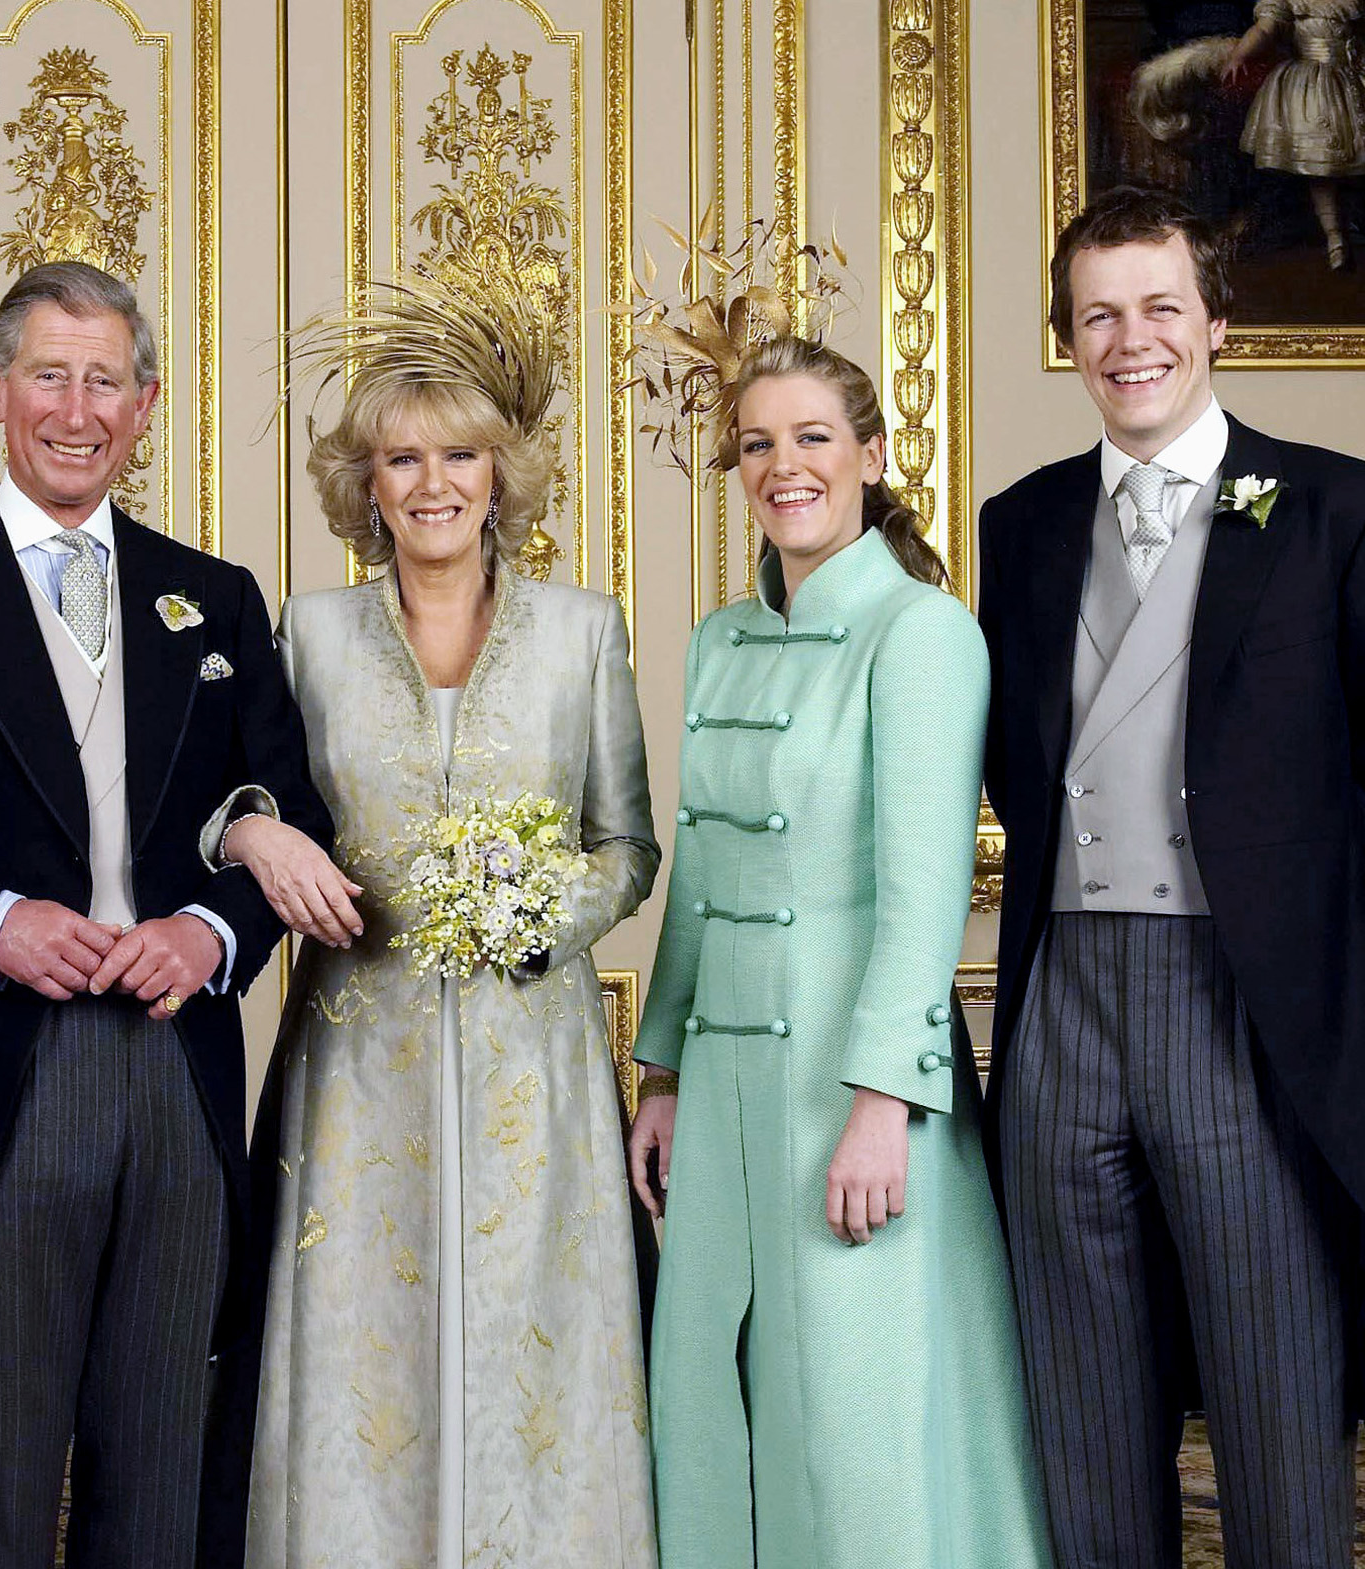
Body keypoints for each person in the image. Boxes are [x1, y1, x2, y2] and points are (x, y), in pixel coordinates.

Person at [0, 260, 331, 1569]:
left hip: (178, 1066)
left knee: (160, 1466)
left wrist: (210, 937)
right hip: (5, 1075)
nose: (76, 407)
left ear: (146, 404)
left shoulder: (216, 596)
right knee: (5, 1470)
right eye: (49, 374)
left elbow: (289, 815)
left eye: (106, 380)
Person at [216, 278, 659, 1568]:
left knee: (540, 1335)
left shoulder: (583, 634)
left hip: (538, 1062)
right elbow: (248, 804)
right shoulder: (309, 638)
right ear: (362, 482)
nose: (431, 484)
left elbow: (626, 847)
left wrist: (547, 908)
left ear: (501, 474)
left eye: (459, 455)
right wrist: (252, 826)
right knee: (363, 1341)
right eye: (400, 459)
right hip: (361, 1061)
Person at [981, 183, 1364, 1569]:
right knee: (1079, 1421)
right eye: (1098, 315)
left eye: (1157, 308)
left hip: (1245, 1004)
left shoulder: (1324, 506)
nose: (1129, 339)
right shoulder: (1019, 525)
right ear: (1071, 338)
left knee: (1276, 1413)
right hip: (1062, 1003)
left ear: (1215, 320)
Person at [628, 336, 1050, 1568]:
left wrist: (883, 1106)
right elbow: (701, 877)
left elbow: (925, 899)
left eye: (813, 437)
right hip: (722, 1090)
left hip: (854, 1089)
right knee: (713, 1391)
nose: (784, 465)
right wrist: (660, 1076)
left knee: (858, 1414)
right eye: (757, 443)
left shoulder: (923, 633)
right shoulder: (719, 639)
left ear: (871, 455)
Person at [1224, 0, 1364, 269]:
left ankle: (1350, 228)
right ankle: (1335, 238)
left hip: (1355, 78)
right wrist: (1240, 55)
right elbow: (1265, 30)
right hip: (1313, 89)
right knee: (1321, 167)